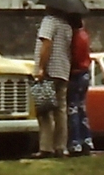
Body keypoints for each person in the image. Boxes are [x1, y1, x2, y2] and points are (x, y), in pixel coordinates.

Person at [34, 10, 72, 157]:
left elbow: (46, 43)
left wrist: (41, 68)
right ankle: (60, 147)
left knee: (44, 111)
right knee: (60, 111)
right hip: (63, 71)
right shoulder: (66, 25)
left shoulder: (49, 21)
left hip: (49, 71)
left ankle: (45, 148)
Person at [65, 15, 93, 156]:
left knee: (73, 110)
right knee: (82, 109)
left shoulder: (73, 37)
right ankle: (87, 140)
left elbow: (73, 57)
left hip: (75, 74)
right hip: (85, 73)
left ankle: (75, 143)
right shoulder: (84, 35)